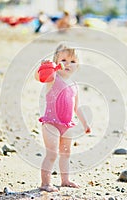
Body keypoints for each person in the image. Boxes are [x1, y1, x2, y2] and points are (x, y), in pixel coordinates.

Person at [35, 43, 91, 192]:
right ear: (56, 61)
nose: (68, 64)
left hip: (67, 125)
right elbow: (40, 77)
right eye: (64, 60)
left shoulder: (74, 85)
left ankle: (65, 179)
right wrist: (43, 67)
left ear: (77, 66)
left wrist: (85, 123)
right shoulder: (53, 78)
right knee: (52, 153)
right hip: (51, 123)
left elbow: (76, 107)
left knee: (66, 154)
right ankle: (45, 183)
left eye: (73, 61)